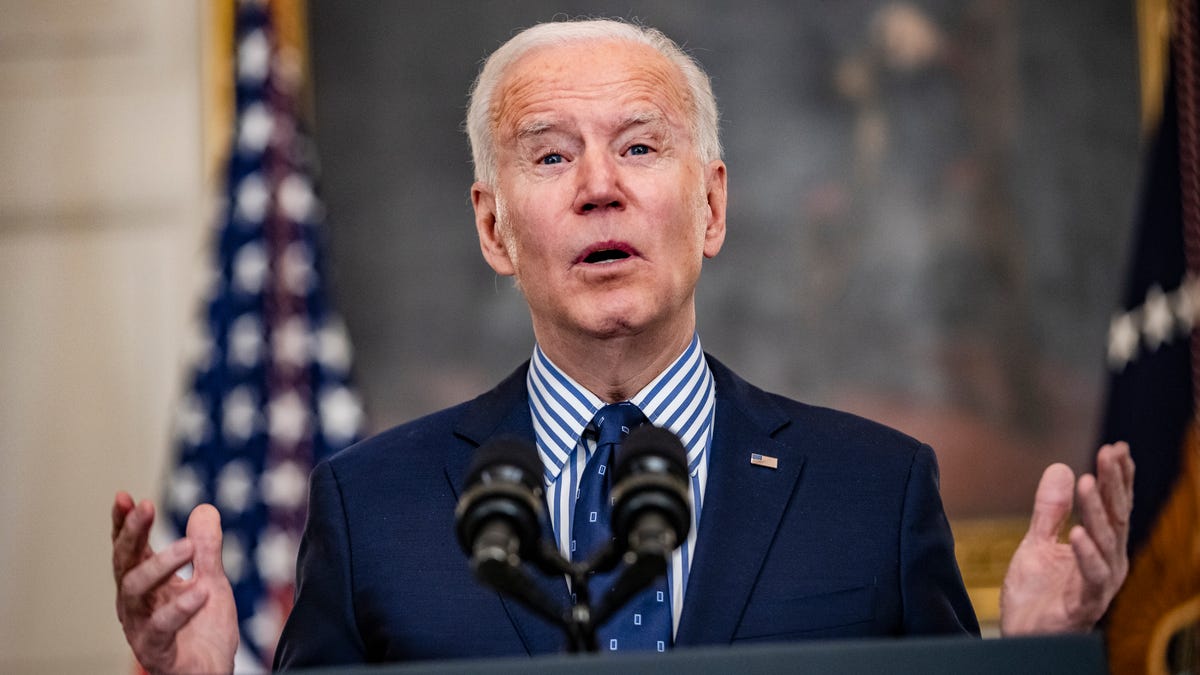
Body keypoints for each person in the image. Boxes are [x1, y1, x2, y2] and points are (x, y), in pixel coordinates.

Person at [110, 18, 1135, 674]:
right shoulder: (372, 508)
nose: (600, 184)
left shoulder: (874, 490)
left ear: (713, 207)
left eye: (641, 146)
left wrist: (1041, 659)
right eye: (550, 154)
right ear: (493, 228)